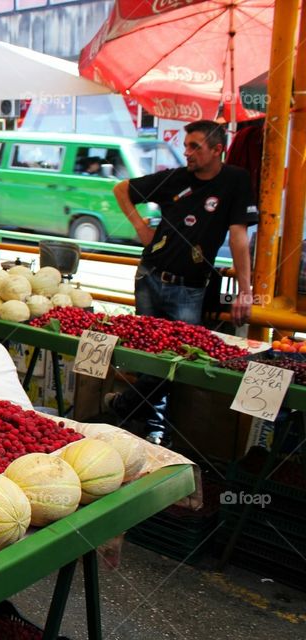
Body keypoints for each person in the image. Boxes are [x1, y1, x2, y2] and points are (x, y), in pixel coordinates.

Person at [105, 119, 259, 446]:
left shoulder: (235, 181)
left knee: (178, 360)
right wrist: (140, 227)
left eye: (195, 146)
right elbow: (121, 189)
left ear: (218, 149)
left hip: (190, 288)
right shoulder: (176, 178)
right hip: (150, 277)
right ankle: (155, 433)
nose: (186, 153)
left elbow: (238, 238)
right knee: (150, 356)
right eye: (186, 145)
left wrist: (246, 291)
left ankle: (126, 407)